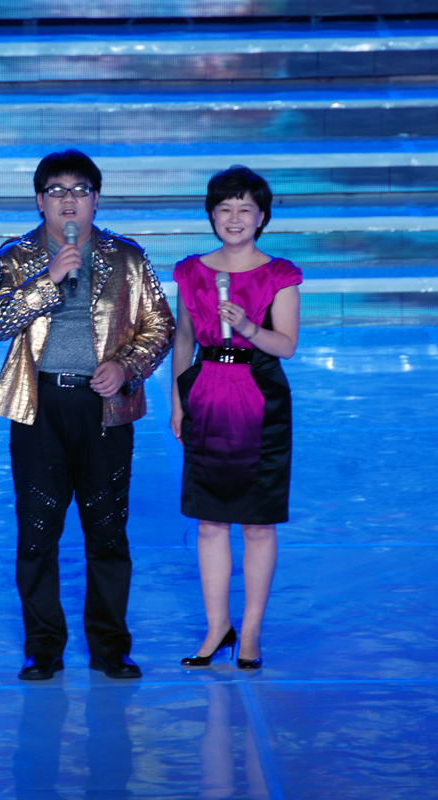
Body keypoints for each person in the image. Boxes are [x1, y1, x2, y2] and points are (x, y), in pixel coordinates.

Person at [0, 149, 174, 680]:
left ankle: (110, 645)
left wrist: (126, 366)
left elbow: (161, 325)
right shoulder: (17, 256)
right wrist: (48, 279)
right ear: (39, 200)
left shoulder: (127, 257)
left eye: (80, 190)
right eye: (57, 191)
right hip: (39, 407)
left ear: (96, 199)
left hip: (104, 407)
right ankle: (42, 646)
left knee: (107, 531)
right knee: (36, 532)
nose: (69, 201)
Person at [170, 165, 302, 669]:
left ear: (262, 216)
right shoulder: (191, 272)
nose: (234, 217)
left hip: (260, 399)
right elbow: (184, 340)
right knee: (209, 522)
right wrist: (178, 402)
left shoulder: (280, 274)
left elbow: (285, 346)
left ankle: (249, 633)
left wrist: (248, 326)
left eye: (245, 208)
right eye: (224, 208)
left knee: (258, 524)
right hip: (206, 395)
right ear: (211, 214)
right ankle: (216, 628)